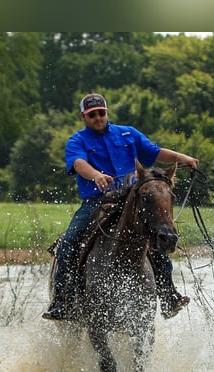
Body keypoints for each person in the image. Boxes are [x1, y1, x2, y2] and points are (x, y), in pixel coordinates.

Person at [43, 93, 199, 322]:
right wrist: (96, 175)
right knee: (69, 241)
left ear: (107, 112)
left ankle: (168, 294)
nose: (98, 118)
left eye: (101, 113)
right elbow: (78, 163)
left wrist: (182, 157)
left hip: (132, 199)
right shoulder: (77, 141)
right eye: (92, 115)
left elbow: (155, 152)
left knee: (158, 234)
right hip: (98, 201)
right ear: (84, 117)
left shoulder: (128, 133)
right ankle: (62, 301)